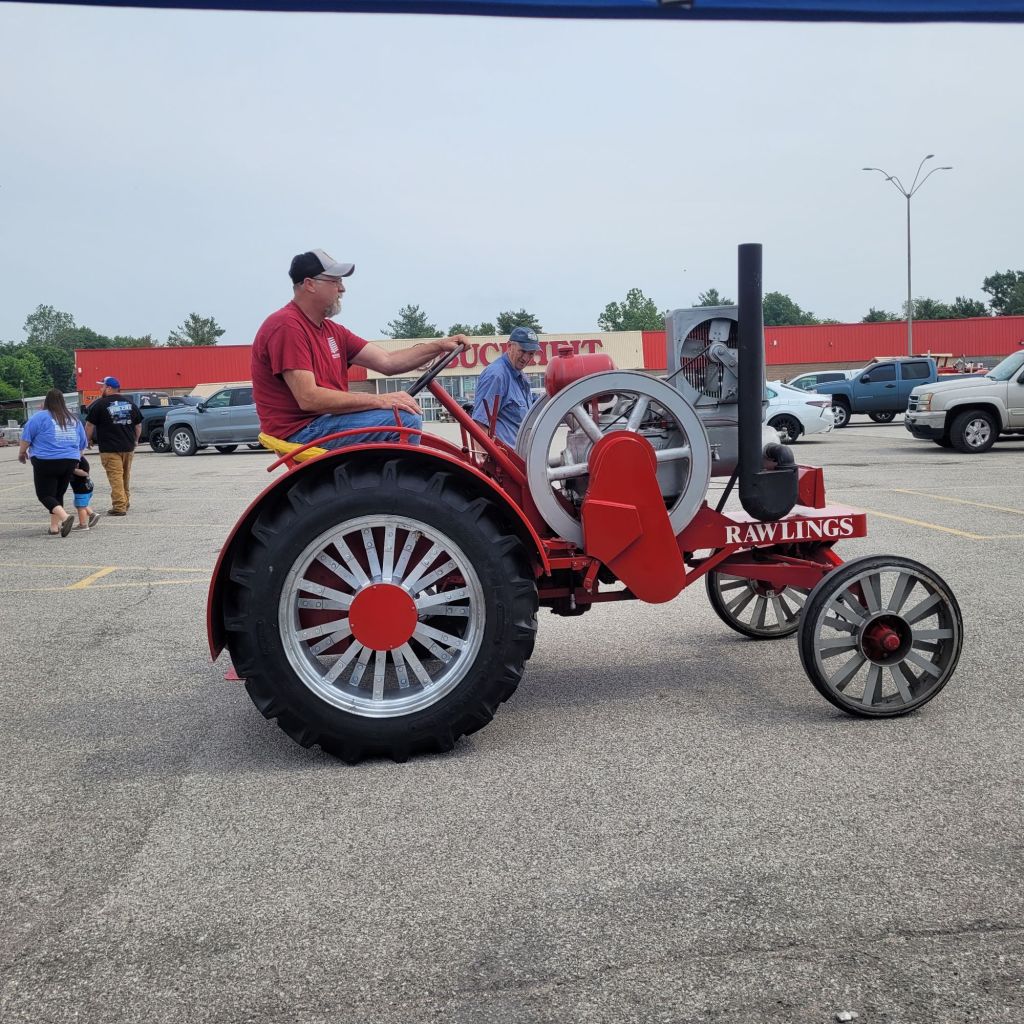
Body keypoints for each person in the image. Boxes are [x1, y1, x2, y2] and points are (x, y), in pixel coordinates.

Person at [251, 249, 467, 450]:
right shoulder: (287, 326)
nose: (342, 288)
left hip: (324, 421)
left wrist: (439, 346)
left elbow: (388, 361)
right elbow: (309, 398)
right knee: (405, 420)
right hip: (302, 430)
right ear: (310, 284)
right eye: (335, 281)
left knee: (403, 415)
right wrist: (380, 400)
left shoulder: (332, 331)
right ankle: (396, 480)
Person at [17, 389, 88, 537]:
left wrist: (22, 452)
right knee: (57, 494)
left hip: (45, 460)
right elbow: (82, 443)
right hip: (70, 460)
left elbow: (26, 437)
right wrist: (76, 459)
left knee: (44, 495)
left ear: (46, 401)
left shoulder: (39, 417)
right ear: (63, 401)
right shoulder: (74, 419)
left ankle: (65, 517)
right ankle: (54, 527)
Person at [470, 326, 541, 446]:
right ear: (509, 346)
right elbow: (480, 426)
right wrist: (485, 457)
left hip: (521, 454)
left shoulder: (521, 377)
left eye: (531, 354)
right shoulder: (497, 375)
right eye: (522, 351)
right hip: (504, 456)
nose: (526, 358)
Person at [85, 376, 142, 516]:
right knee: (125, 476)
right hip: (128, 446)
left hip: (109, 448)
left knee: (115, 477)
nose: (101, 389)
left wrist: (87, 440)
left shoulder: (99, 404)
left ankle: (119, 506)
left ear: (109, 388)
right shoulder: (130, 403)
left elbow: (89, 425)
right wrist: (135, 440)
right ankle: (125, 501)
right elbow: (138, 425)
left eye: (102, 386)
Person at [70, 456, 101, 531]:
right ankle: (92, 514)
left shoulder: (78, 460)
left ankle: (83, 524)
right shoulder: (79, 458)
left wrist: (72, 469)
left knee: (80, 507)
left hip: (82, 489)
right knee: (81, 504)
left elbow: (85, 473)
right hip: (86, 488)